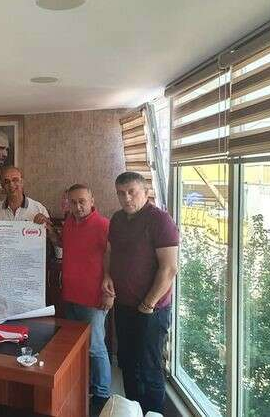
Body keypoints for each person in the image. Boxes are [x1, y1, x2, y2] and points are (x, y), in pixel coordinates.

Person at [103, 172, 179, 414]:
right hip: (123, 305)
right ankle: (132, 410)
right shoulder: (117, 219)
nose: (126, 198)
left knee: (149, 368)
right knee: (127, 363)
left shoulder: (160, 220)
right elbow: (110, 252)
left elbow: (169, 268)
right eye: (121, 193)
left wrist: (148, 304)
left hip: (151, 311)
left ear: (145, 192)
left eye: (131, 192)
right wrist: (107, 275)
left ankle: (152, 413)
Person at [40, 184, 112, 415]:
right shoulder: (70, 222)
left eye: (82, 201)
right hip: (70, 295)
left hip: (93, 298)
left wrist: (110, 292)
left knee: (95, 347)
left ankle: (102, 395)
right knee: (77, 347)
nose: (78, 206)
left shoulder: (104, 225)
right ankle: (88, 386)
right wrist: (50, 230)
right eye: (73, 202)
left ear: (92, 200)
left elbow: (114, 259)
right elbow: (63, 243)